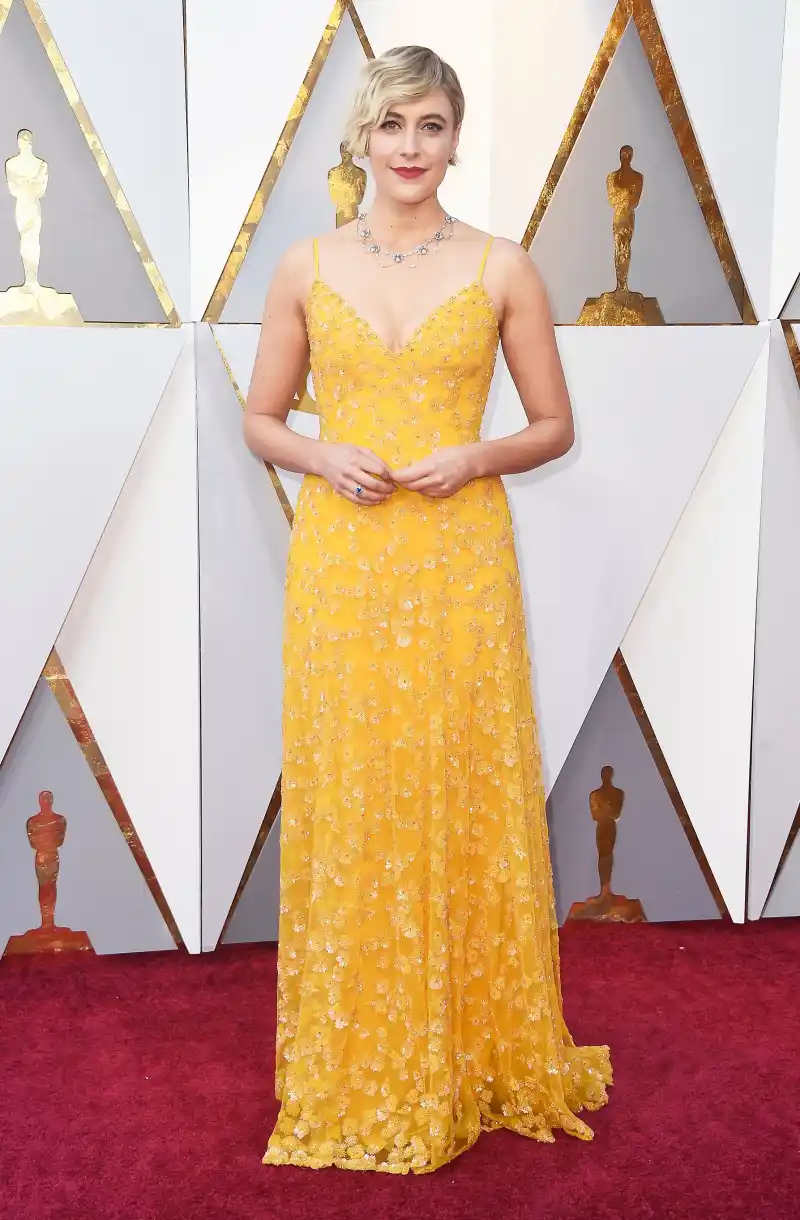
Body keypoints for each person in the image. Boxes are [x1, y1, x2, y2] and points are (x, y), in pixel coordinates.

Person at [244, 44, 612, 1175]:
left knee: (454, 782)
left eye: (433, 126)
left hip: (457, 562)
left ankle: (471, 1050)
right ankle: (354, 1060)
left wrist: (474, 453)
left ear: (456, 139)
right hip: (345, 565)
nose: (411, 147)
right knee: (353, 794)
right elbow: (261, 418)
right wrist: (321, 450)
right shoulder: (303, 265)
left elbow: (553, 425)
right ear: (362, 136)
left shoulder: (504, 267)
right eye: (393, 124)